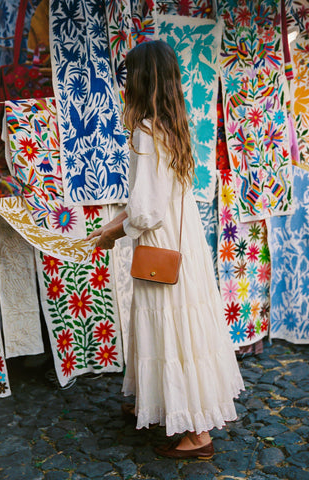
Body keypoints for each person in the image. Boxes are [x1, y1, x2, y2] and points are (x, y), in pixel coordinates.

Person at [86, 40, 244, 459]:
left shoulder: (144, 130)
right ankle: (158, 405)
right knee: (180, 331)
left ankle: (197, 436)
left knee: (171, 332)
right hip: (183, 246)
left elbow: (147, 210)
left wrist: (112, 233)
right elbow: (159, 199)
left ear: (139, 81)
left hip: (160, 246)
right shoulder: (173, 125)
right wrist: (119, 222)